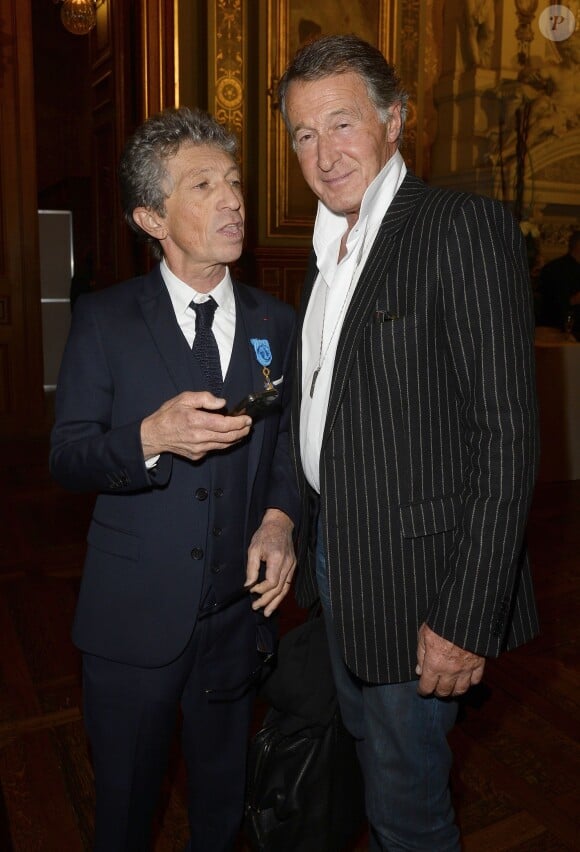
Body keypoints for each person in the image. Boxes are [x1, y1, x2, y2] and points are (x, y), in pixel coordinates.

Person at [278, 34, 539, 850]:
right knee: (370, 770)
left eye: (342, 123)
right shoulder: (327, 255)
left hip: (422, 591)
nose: (324, 154)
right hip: (340, 569)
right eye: (303, 135)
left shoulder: (460, 226)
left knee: (409, 809)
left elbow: (506, 436)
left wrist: (465, 617)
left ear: (396, 120)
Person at [50, 106, 298, 852]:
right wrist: (149, 437)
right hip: (131, 628)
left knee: (223, 813)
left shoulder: (275, 322)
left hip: (235, 625)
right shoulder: (103, 321)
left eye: (233, 182)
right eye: (203, 185)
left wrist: (282, 520)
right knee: (124, 814)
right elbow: (67, 458)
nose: (232, 201)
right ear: (151, 216)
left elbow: (285, 451)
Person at [538, 230, 580, 338]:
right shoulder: (555, 269)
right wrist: (573, 300)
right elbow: (551, 304)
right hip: (557, 331)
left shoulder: (552, 267)